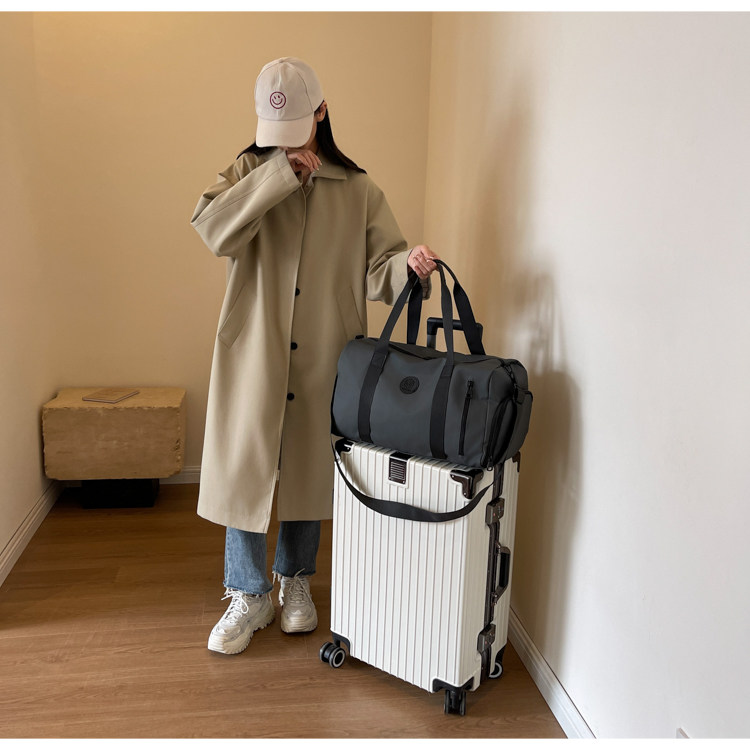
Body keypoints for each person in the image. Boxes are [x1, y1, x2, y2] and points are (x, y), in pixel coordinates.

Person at [190, 57, 440, 655]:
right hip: (254, 345)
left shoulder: (358, 189)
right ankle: (247, 593)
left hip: (326, 347)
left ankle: (295, 579)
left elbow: (380, 268)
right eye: (273, 135)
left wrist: (407, 268)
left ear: (322, 113)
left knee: (307, 463)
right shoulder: (248, 171)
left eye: (295, 132)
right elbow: (213, 231)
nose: (283, 146)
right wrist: (276, 175)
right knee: (246, 465)